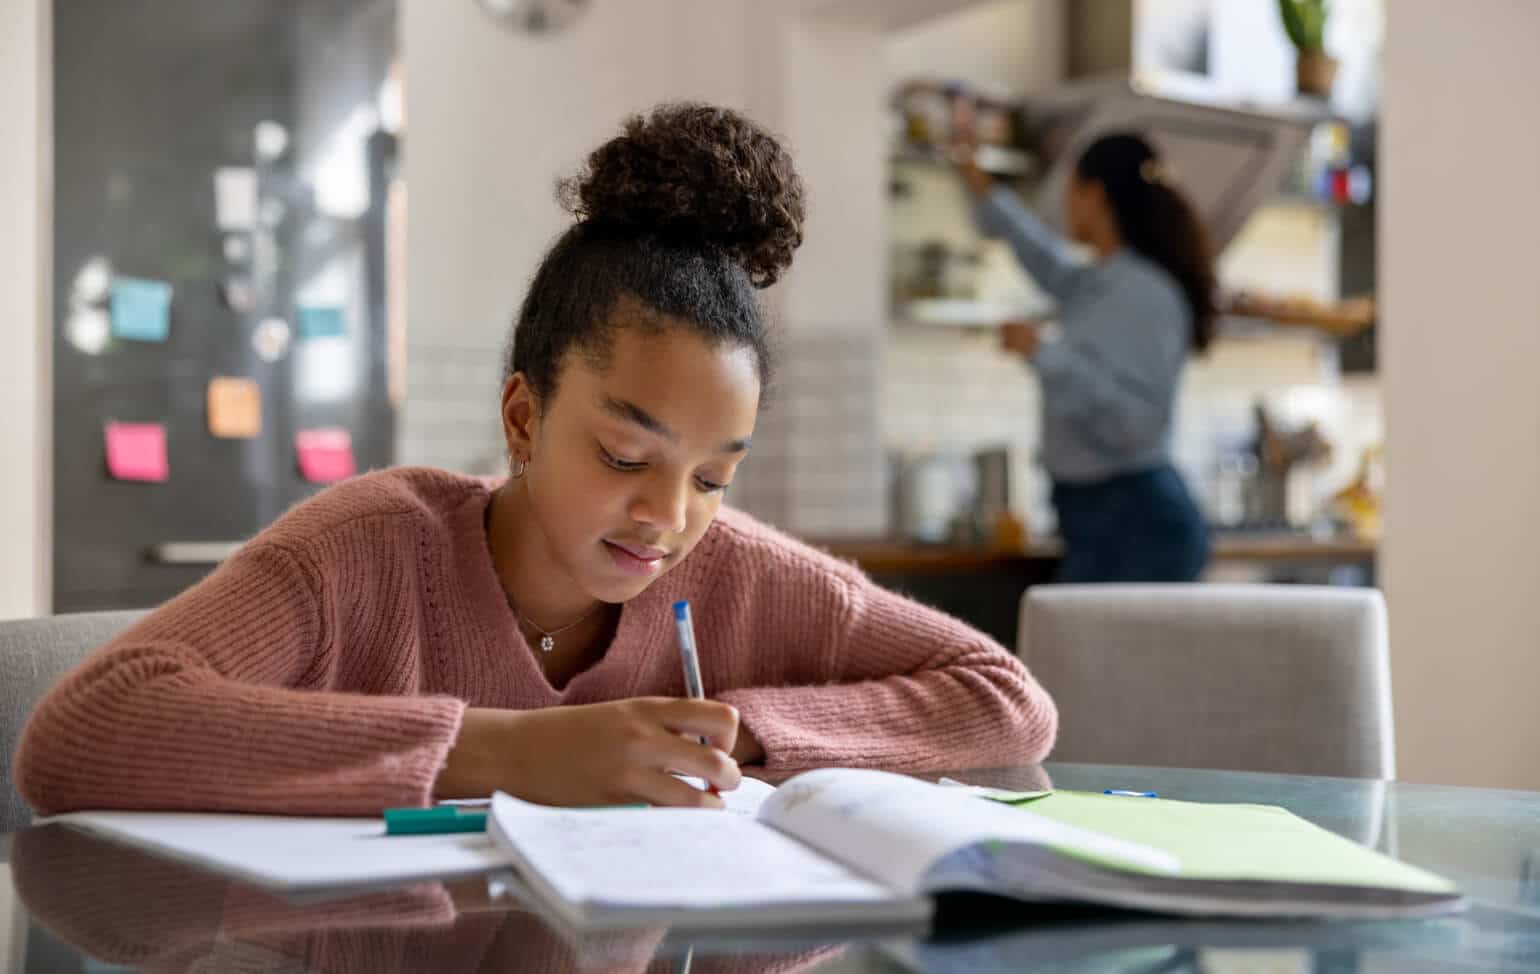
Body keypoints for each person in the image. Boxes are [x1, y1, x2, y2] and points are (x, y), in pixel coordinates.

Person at [17, 103, 1057, 817]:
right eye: (622, 452)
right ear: (522, 416)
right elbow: (77, 735)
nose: (667, 516)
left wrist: (741, 733)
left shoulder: (742, 575)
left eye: (711, 477)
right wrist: (507, 751)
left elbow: (1004, 695)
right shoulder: (366, 551)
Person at [956, 132, 1214, 583]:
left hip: (1137, 525)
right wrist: (982, 186)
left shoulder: (1144, 294)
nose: (1065, 205)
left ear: (1093, 195)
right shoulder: (1102, 283)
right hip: (1098, 518)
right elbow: (1045, 260)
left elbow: (1138, 423)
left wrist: (1042, 352)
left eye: (1069, 190)